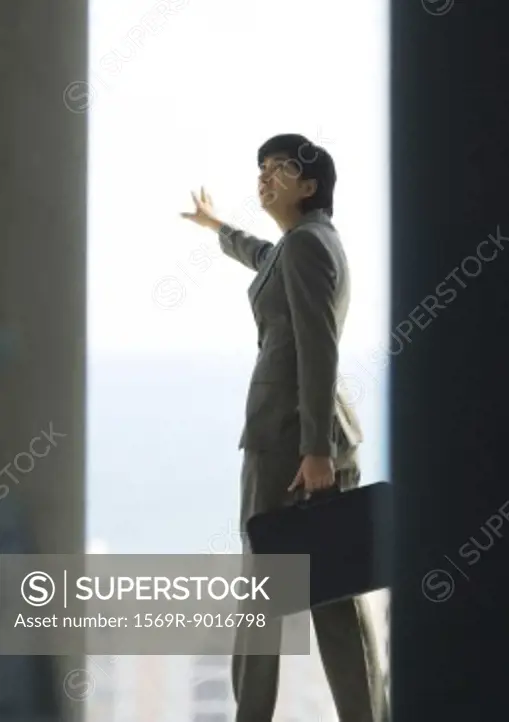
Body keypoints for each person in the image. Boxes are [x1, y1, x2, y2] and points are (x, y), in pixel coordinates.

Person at [180, 133, 387, 722]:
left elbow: (318, 349)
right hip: (308, 437)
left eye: (278, 169)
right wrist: (215, 225)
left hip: (288, 440)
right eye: (261, 168)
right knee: (333, 589)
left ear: (311, 185)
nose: (264, 177)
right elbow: (258, 255)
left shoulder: (304, 247)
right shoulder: (305, 244)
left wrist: (313, 451)